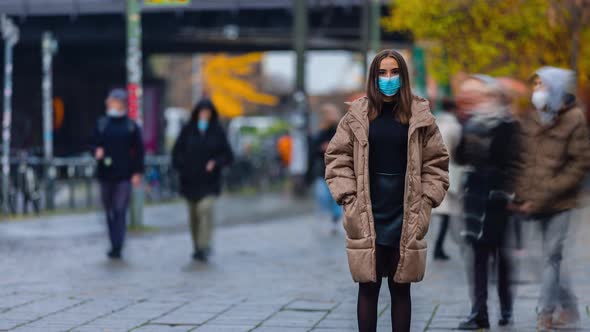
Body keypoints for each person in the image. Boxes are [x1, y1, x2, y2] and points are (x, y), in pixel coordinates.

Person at [325, 49, 449, 332]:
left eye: (394, 72)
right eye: (382, 73)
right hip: (367, 211)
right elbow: (336, 158)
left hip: (406, 212)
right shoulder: (357, 115)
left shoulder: (420, 117)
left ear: (403, 76)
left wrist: (426, 201)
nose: (388, 78)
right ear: (373, 77)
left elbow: (437, 163)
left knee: (400, 288)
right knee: (367, 287)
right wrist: (349, 198)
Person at [511, 67, 590, 331]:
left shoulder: (574, 117)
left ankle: (544, 314)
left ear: (555, 88)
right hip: (534, 201)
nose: (537, 91)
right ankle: (570, 307)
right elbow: (524, 161)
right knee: (544, 258)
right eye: (534, 85)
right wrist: (520, 195)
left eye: (542, 85)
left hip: (561, 201)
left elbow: (580, 163)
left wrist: (548, 190)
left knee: (551, 255)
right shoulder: (533, 118)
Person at [454, 75, 521, 330]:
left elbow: (512, 161)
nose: (484, 101)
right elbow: (460, 156)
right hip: (475, 198)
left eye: (490, 96)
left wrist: (511, 193)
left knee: (501, 257)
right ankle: (479, 312)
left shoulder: (508, 125)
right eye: (484, 96)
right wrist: (467, 134)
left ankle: (505, 309)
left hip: (497, 199)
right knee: (479, 257)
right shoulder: (471, 124)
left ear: (499, 99)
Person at [172, 99, 233, 262]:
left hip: (209, 182)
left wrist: (216, 162)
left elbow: (228, 156)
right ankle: (197, 246)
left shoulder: (217, 132)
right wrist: (183, 166)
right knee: (194, 215)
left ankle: (204, 245)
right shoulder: (188, 130)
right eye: (202, 112)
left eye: (207, 112)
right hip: (190, 181)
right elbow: (176, 153)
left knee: (204, 210)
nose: (204, 115)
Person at [92, 88, 145, 259]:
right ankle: (113, 241)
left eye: (112, 100)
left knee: (120, 209)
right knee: (109, 210)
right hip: (105, 174)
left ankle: (118, 245)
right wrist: (96, 151)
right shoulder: (102, 123)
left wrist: (137, 172)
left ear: (120, 103)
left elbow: (139, 151)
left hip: (124, 175)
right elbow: (92, 143)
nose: (109, 103)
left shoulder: (131, 126)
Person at [431, 99, 463, 260]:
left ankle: (439, 247)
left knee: (444, 212)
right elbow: (459, 150)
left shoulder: (434, 124)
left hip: (434, 171)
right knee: (449, 212)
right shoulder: (455, 127)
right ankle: (441, 247)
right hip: (451, 170)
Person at [308, 103, 343, 234]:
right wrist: (320, 149)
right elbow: (314, 150)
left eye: (330, 113)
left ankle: (335, 220)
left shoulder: (341, 129)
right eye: (326, 114)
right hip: (322, 170)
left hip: (338, 171)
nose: (329, 116)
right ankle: (328, 217)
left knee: (336, 198)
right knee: (322, 195)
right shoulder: (320, 132)